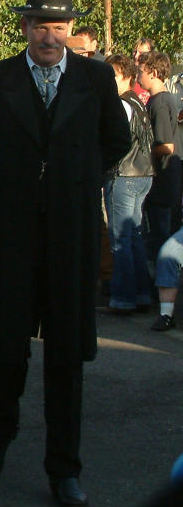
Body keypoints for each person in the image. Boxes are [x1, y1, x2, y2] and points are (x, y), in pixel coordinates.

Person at [0, 0, 130, 507]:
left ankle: (65, 468)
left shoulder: (95, 77)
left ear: (69, 30)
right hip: (10, 236)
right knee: (8, 349)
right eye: (40, 26)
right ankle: (1, 435)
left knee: (65, 356)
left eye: (58, 26)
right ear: (24, 27)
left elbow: (117, 139)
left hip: (69, 236)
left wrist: (76, 178)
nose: (49, 36)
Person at [98, 54, 155, 315]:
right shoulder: (138, 102)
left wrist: (102, 164)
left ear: (127, 77)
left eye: (115, 75)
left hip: (124, 174)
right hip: (142, 174)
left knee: (121, 239)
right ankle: (141, 294)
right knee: (133, 237)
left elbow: (116, 140)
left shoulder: (121, 103)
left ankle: (123, 298)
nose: (110, 80)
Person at [139, 51, 181, 305]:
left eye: (141, 71)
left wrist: (142, 150)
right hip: (166, 181)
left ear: (154, 73)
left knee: (161, 239)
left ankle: (162, 291)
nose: (138, 75)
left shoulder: (159, 103)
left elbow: (166, 145)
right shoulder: (162, 100)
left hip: (163, 181)